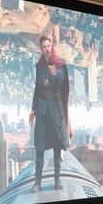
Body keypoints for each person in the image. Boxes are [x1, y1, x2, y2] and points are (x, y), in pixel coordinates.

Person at [29, 35, 72, 192]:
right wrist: (33, 109)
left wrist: (56, 75)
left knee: (57, 145)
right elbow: (37, 88)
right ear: (41, 49)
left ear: (51, 46)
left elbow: (63, 84)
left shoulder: (60, 65)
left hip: (55, 108)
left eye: (48, 46)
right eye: (44, 47)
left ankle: (57, 180)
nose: (47, 49)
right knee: (40, 145)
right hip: (42, 110)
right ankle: (37, 182)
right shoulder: (39, 66)